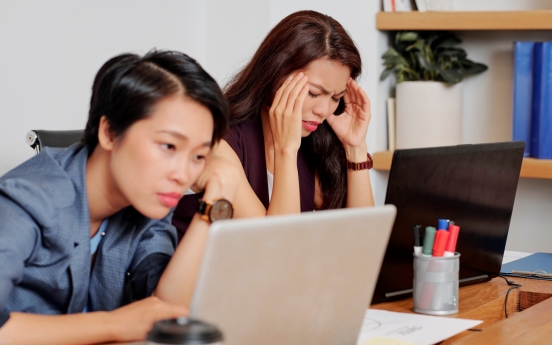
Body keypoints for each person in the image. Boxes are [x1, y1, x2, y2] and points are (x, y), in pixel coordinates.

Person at [0, 50, 240, 344]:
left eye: (199, 155)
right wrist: (113, 324)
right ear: (110, 132)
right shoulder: (26, 200)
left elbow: (168, 308)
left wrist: (212, 206)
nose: (183, 175)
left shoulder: (149, 201)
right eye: (168, 146)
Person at [173, 10, 374, 237]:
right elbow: (276, 245)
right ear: (275, 74)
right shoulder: (216, 143)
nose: (323, 111)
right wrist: (286, 150)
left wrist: (355, 147)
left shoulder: (314, 145)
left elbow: (361, 238)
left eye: (336, 98)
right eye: (313, 93)